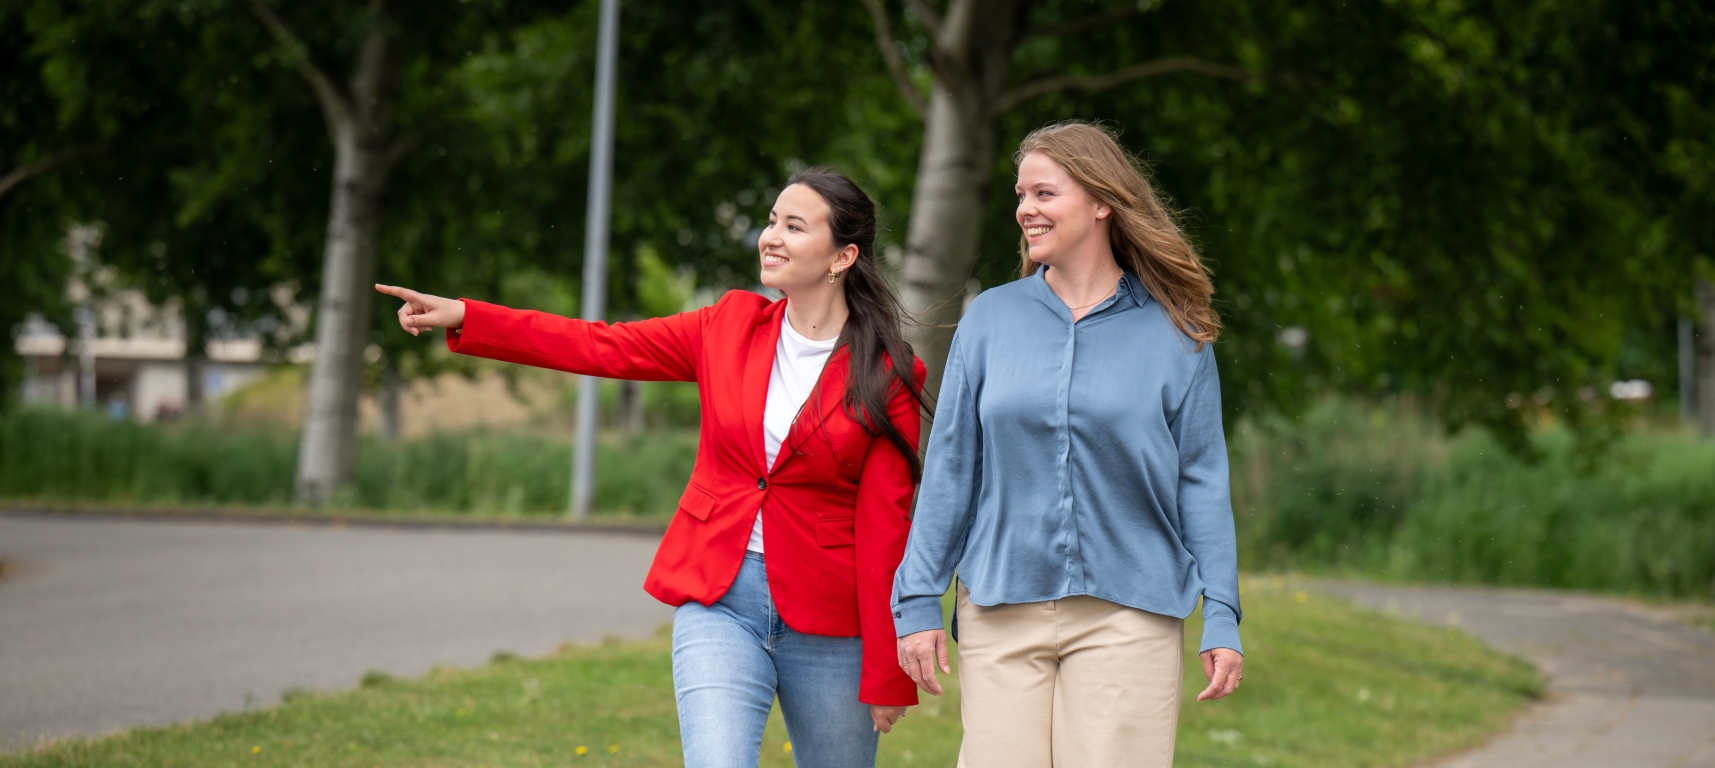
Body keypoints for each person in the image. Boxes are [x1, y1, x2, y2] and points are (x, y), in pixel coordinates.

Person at [376, 168, 926, 768]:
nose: (770, 237)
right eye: (771, 221)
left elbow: (885, 528)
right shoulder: (727, 325)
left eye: (794, 227)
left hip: (831, 621)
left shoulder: (889, 372)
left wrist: (886, 669)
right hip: (721, 599)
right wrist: (467, 315)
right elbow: (600, 345)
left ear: (843, 256)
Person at [892, 122, 1244, 767]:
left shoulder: (1178, 334)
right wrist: (917, 597)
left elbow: (1201, 480)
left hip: (1131, 615)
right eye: (1021, 194)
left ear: (1102, 201)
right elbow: (952, 470)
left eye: (1045, 193)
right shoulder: (989, 320)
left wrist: (1221, 611)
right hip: (1000, 607)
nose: (1025, 209)